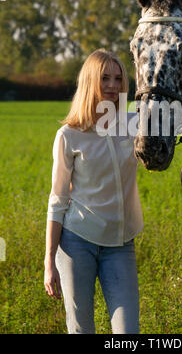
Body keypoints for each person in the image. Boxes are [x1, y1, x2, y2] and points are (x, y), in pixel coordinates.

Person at [44, 49, 143, 334]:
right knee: (81, 329)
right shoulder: (68, 135)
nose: (112, 85)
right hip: (77, 244)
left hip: (121, 245)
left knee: (128, 333)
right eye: (104, 78)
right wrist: (49, 260)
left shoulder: (135, 123)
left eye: (118, 78)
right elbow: (58, 200)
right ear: (90, 81)